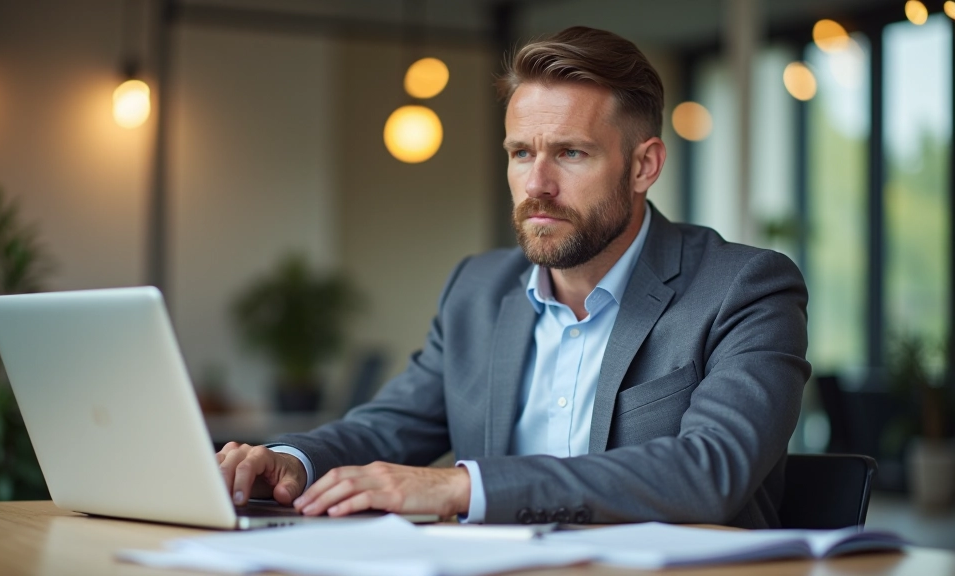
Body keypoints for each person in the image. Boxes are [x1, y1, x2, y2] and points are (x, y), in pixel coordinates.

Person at [216, 26, 809, 528]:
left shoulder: (746, 288)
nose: (537, 185)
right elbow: (390, 427)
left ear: (644, 165)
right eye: (521, 152)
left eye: (571, 154)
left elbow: (710, 469)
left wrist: (465, 488)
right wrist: (292, 460)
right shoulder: (476, 289)